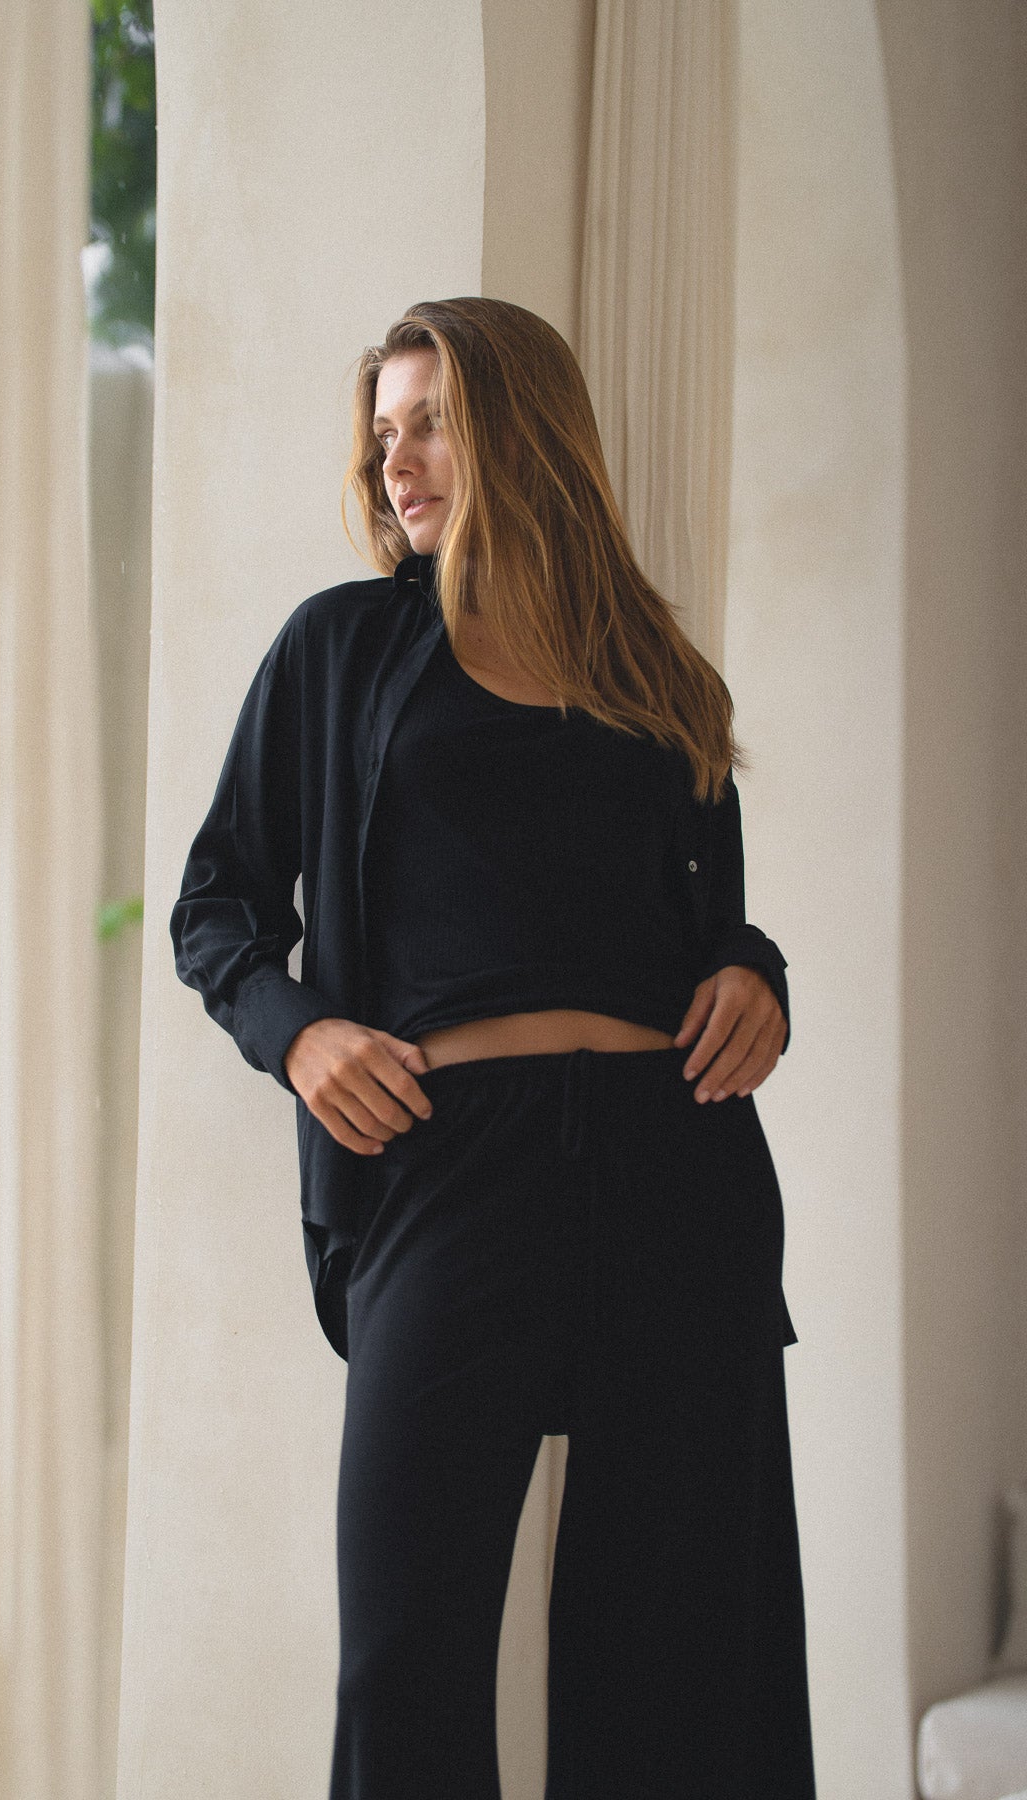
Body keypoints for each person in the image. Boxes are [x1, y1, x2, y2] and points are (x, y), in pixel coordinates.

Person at [171, 297, 816, 1799]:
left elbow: (713, 927)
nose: (397, 462)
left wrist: (756, 975)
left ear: (522, 431)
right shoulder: (342, 650)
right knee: (408, 1663)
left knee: (675, 1663)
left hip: (674, 1168)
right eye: (382, 435)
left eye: (433, 423)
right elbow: (217, 903)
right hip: (448, 1168)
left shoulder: (656, 671)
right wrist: (300, 1035)